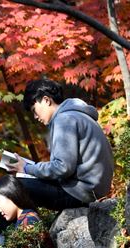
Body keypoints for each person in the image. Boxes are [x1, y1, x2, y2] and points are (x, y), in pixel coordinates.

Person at [7, 78, 113, 211]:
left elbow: (62, 168)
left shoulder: (64, 120)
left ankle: (22, 230)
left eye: (34, 110)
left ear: (46, 100)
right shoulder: (78, 115)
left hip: (80, 193)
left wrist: (27, 169)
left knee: (11, 187)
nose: (35, 116)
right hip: (91, 189)